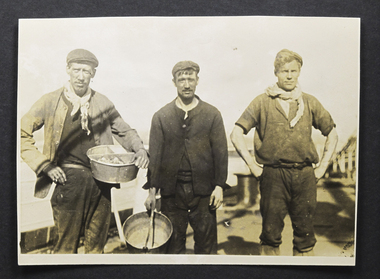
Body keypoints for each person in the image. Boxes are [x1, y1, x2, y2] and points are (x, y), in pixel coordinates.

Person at [20, 49, 149, 254]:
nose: (81, 76)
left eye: (86, 71)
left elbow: (124, 131)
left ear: (93, 74)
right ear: (68, 70)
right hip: (67, 182)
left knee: (96, 248)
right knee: (65, 247)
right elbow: (21, 134)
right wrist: (44, 166)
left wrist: (140, 149)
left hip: (101, 182)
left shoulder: (103, 103)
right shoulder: (50, 100)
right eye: (77, 70)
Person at [230, 49, 338, 256]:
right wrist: (253, 166)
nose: (289, 75)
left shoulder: (309, 102)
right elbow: (235, 134)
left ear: (299, 73)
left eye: (293, 71)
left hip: (305, 176)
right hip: (273, 176)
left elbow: (332, 133)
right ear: (276, 73)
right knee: (270, 235)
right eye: (284, 71)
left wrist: (322, 167)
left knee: (305, 236)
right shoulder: (262, 101)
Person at [144, 61, 229, 254]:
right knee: (173, 247)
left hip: (204, 192)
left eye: (190, 79)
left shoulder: (212, 114)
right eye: (181, 79)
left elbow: (221, 153)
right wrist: (151, 191)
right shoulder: (161, 116)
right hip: (172, 193)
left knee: (207, 248)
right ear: (174, 82)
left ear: (197, 80)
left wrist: (219, 186)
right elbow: (155, 157)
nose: (186, 84)